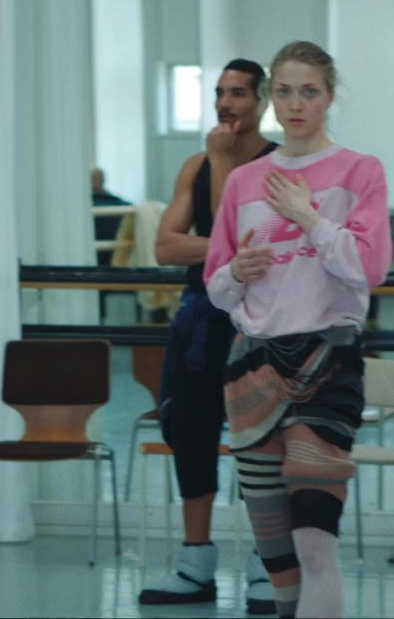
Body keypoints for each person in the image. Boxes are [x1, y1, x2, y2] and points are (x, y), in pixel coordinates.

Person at [204, 41, 393, 619]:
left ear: (329, 97)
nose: (296, 103)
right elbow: (216, 285)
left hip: (328, 363)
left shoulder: (360, 170)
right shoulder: (243, 181)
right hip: (252, 368)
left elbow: (370, 268)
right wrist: (237, 272)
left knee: (315, 539)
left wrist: (309, 216)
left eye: (309, 91)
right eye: (284, 92)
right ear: (270, 99)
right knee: (277, 559)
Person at [142, 59, 278, 615]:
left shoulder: (277, 166)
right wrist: (222, 250)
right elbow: (165, 246)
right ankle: (194, 565)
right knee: (191, 434)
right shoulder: (195, 165)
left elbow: (233, 231)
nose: (225, 103)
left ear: (262, 101)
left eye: (238, 93)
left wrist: (222, 164)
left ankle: (268, 565)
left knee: (261, 442)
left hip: (259, 324)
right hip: (200, 321)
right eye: (220, 92)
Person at [91, 167, 131, 266]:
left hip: (114, 253)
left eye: (97, 178)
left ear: (103, 179)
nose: (96, 180)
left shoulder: (121, 204)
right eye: (94, 178)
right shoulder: (81, 206)